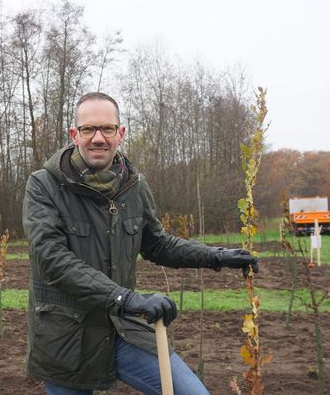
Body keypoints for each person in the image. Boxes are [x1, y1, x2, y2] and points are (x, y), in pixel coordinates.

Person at [22, 92, 259, 394]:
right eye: (88, 129)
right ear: (74, 134)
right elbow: (51, 259)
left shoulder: (133, 185)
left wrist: (217, 256)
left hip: (123, 328)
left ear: (120, 134)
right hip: (68, 338)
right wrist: (125, 299)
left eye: (107, 129)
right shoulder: (43, 185)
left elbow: (157, 244)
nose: (98, 138)